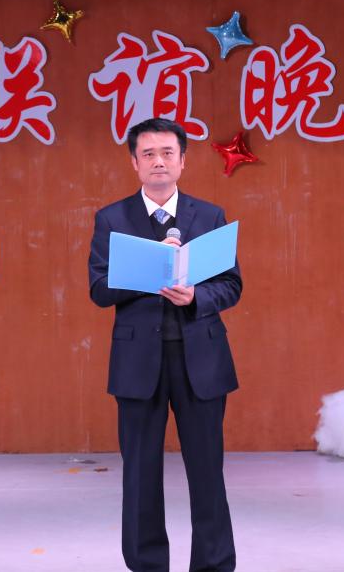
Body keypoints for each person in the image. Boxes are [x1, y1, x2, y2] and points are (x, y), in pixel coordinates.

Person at [88, 118, 242, 572]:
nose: (159, 161)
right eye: (149, 154)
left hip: (201, 359)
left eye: (167, 153)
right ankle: (147, 563)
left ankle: (213, 564)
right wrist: (146, 275)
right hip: (138, 361)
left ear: (182, 161)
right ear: (135, 163)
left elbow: (231, 285)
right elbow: (98, 289)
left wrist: (196, 296)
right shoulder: (112, 218)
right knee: (139, 472)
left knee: (207, 470)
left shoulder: (209, 215)